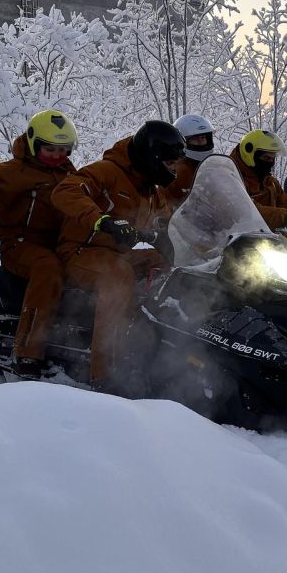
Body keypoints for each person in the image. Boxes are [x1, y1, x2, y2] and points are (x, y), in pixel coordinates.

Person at [52, 120, 185, 386]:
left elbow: (170, 221)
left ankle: (156, 348)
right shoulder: (106, 172)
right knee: (117, 275)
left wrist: (182, 240)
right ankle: (105, 374)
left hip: (114, 255)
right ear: (152, 157)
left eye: (175, 164)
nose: (173, 170)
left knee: (166, 266)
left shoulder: (152, 191)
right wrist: (102, 220)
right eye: (169, 163)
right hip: (79, 252)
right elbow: (64, 191)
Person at [0, 109, 78, 376]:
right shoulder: (12, 172)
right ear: (33, 143)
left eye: (63, 150)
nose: (57, 156)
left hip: (55, 245)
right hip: (19, 245)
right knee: (47, 267)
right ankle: (27, 350)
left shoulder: (69, 174)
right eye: (50, 150)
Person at [229, 129, 287, 245]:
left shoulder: (270, 181)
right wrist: (285, 217)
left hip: (269, 242)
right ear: (250, 154)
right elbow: (246, 211)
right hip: (238, 245)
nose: (271, 163)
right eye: (267, 158)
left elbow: (286, 205)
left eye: (273, 159)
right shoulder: (231, 179)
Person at [168, 114, 215, 205]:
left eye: (203, 138)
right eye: (195, 138)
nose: (201, 142)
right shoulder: (174, 174)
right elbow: (164, 204)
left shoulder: (213, 165)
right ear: (182, 142)